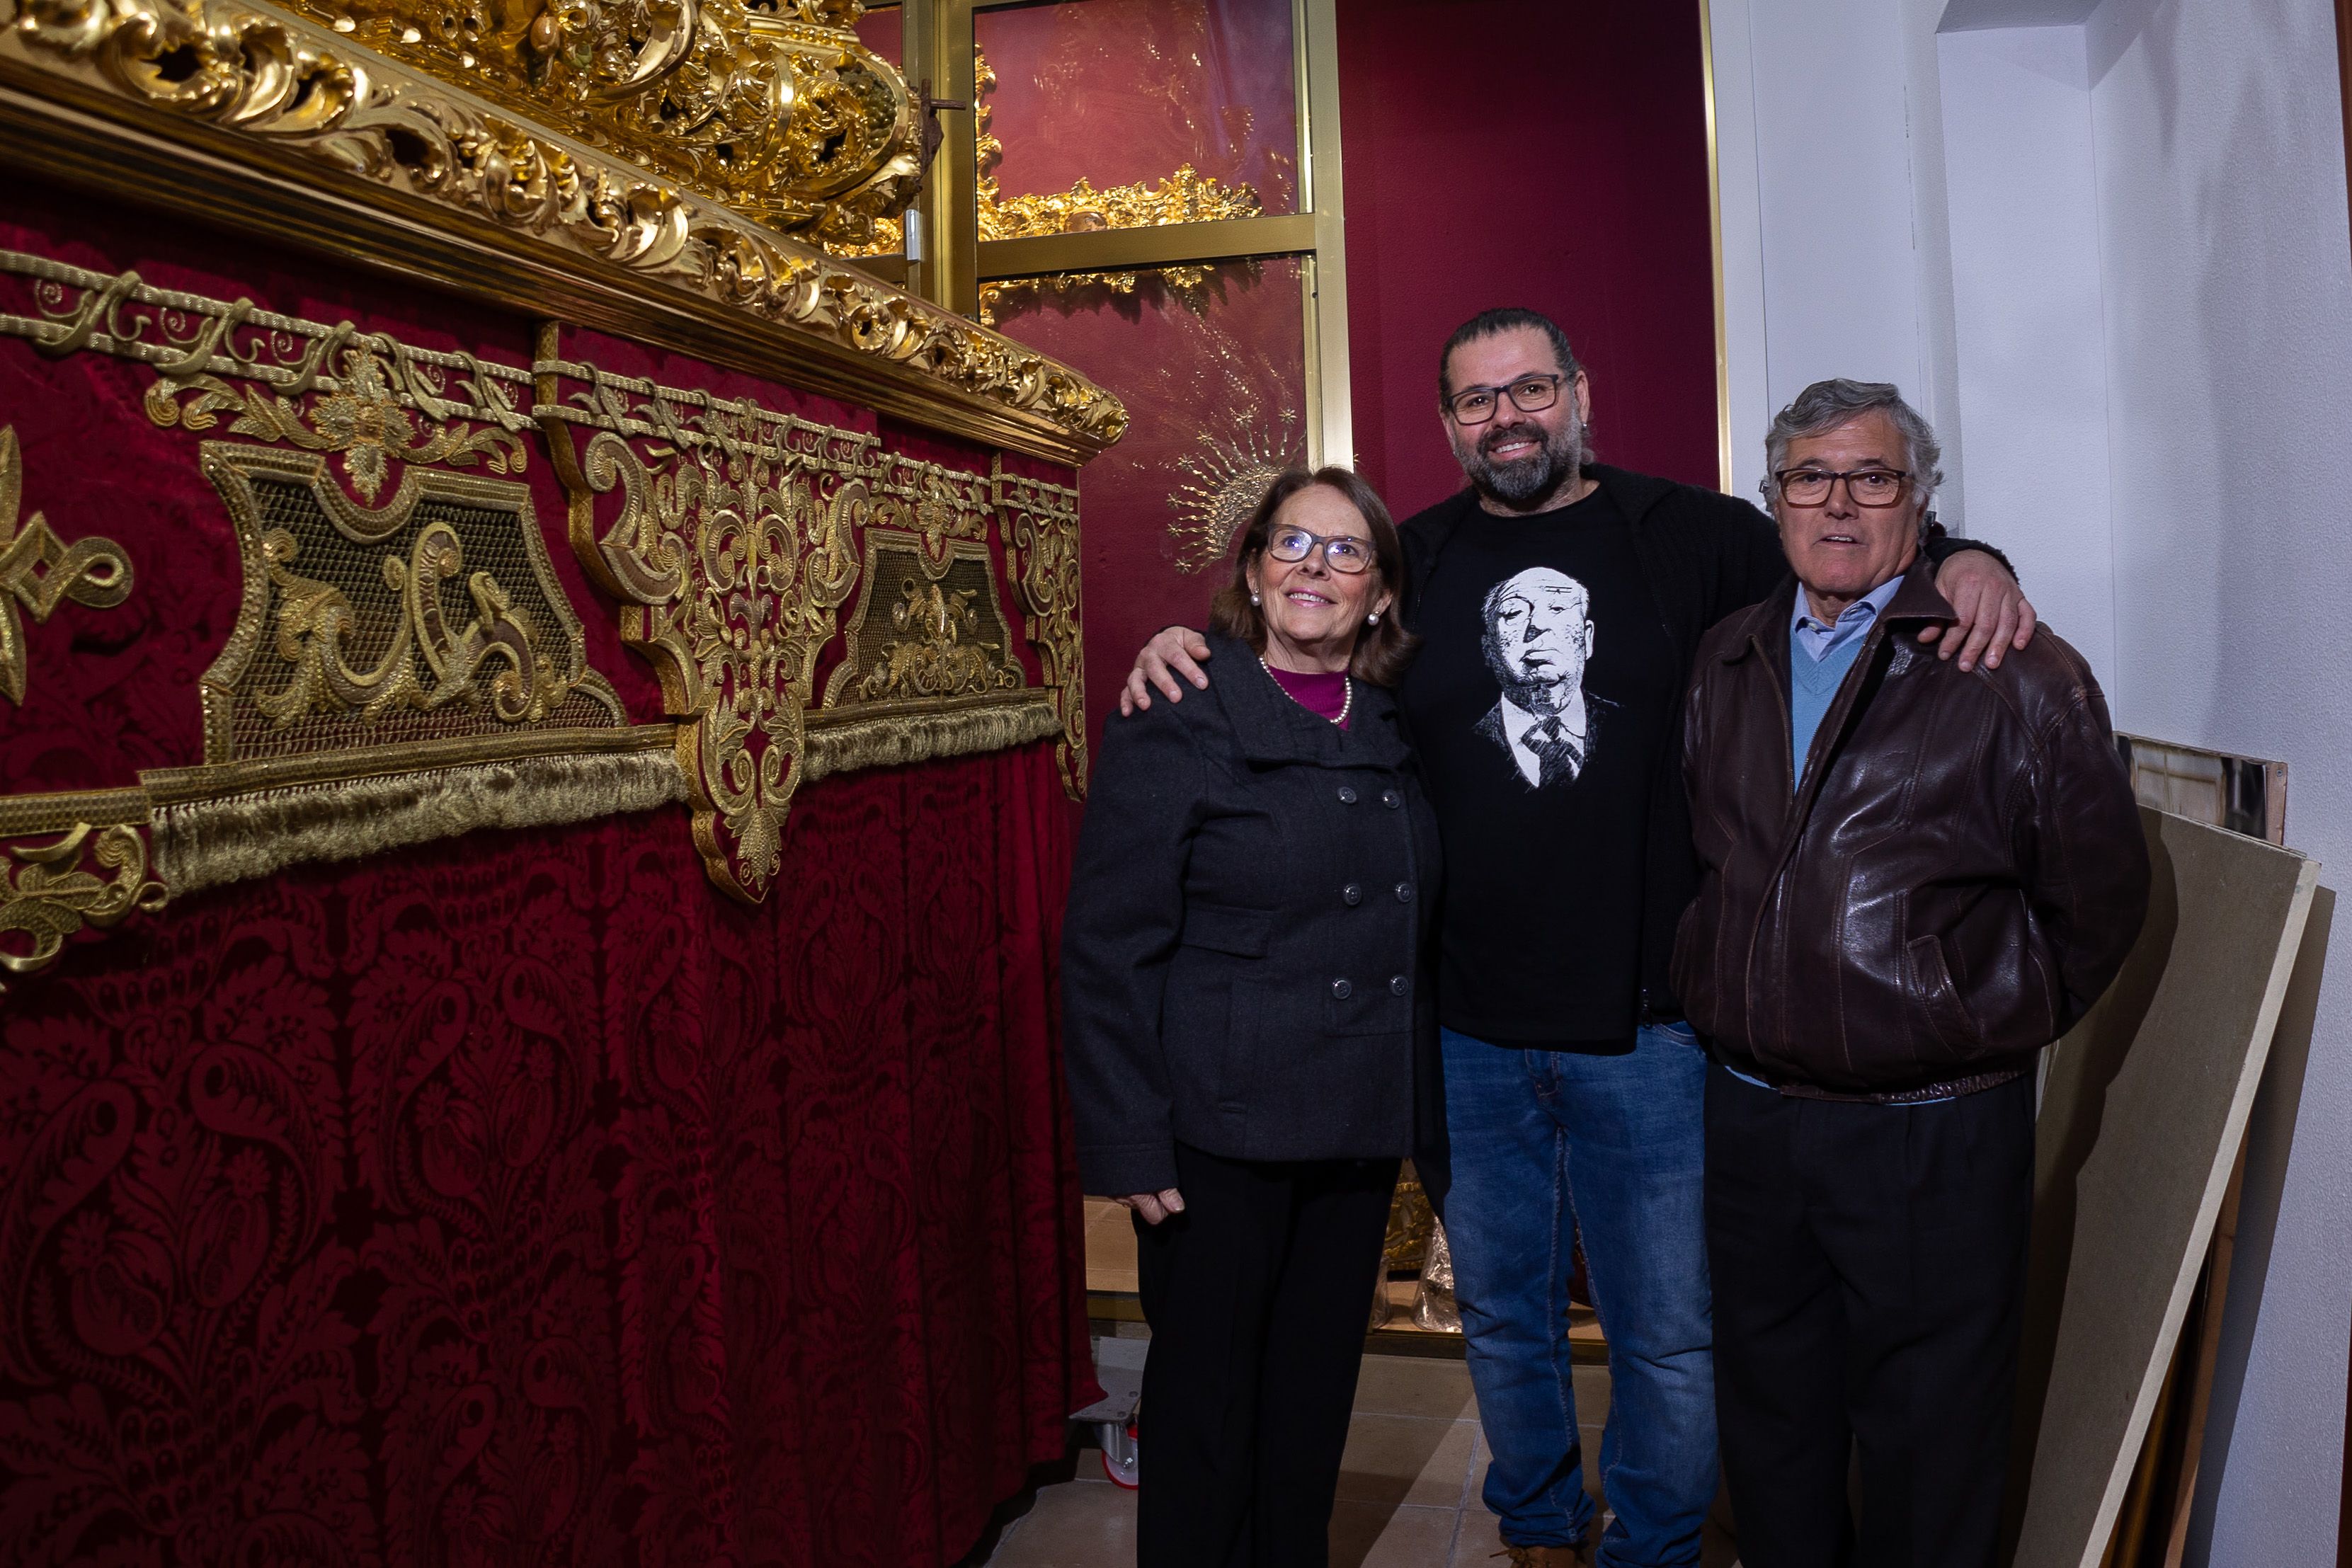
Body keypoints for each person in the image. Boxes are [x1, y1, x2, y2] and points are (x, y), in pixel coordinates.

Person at [1120, 309, 2040, 1568]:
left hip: (1650, 1032)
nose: (1506, 417)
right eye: (1476, 399)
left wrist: (1970, 556)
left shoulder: (1698, 537)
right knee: (1504, 1320)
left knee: (1667, 1329)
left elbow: (1851, 544)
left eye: (1530, 389)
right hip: (1461, 1031)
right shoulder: (1414, 559)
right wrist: (1189, 641)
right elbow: (1300, 638)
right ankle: (1540, 1528)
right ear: (1449, 424)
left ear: (1579, 394)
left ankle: (1651, 1546)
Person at [1673, 379, 2148, 1567]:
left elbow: (2098, 899)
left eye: (1871, 477)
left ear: (1921, 502)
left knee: (1931, 1447)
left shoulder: (2013, 673)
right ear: (1773, 498)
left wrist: (1966, 1013)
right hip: (1751, 1119)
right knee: (1772, 1432)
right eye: (1808, 477)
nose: (1837, 504)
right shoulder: (1725, 657)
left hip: (1929, 1131)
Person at [1063, 467, 1442, 1568]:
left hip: (1354, 1126)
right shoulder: (1178, 709)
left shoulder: (1396, 722)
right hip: (1215, 1134)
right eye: (1291, 543)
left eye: (1344, 551)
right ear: (1252, 569)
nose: (1313, 567)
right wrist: (1129, 1140)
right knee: (1207, 1412)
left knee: (1310, 1402)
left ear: (1379, 593)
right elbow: (1107, 947)